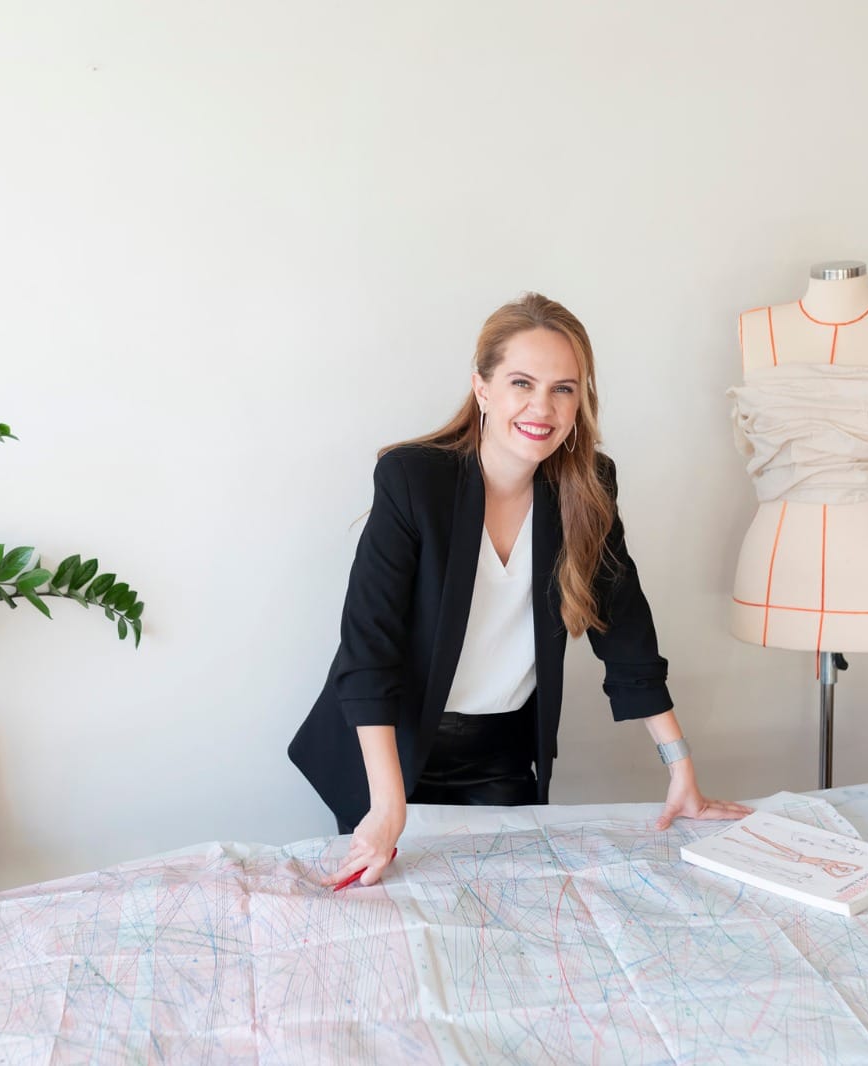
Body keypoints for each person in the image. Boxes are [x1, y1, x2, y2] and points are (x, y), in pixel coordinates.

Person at [288, 292, 751, 888]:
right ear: (482, 388)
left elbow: (626, 632)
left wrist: (680, 767)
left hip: (499, 756)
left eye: (564, 388)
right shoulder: (414, 480)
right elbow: (368, 649)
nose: (543, 407)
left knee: (502, 913)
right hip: (386, 752)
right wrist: (387, 805)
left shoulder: (588, 487)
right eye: (522, 383)